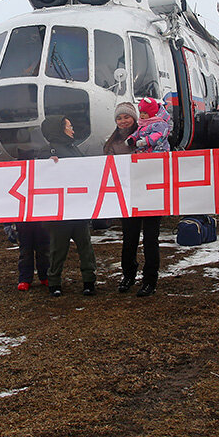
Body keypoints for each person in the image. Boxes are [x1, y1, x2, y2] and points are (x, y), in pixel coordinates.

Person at [105, 101, 161, 296]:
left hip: (152, 193)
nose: (123, 121)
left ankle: (150, 280)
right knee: (129, 239)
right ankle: (128, 275)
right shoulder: (112, 143)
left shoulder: (148, 135)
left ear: (135, 118)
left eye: (126, 117)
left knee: (150, 239)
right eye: (119, 118)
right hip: (128, 196)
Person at [41, 114, 97, 297]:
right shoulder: (46, 153)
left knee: (82, 247)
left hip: (77, 208)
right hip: (61, 212)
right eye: (69, 127)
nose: (72, 130)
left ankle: (78, 281)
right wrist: (47, 167)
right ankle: (59, 281)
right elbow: (39, 178)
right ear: (59, 130)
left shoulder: (73, 149)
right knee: (62, 249)